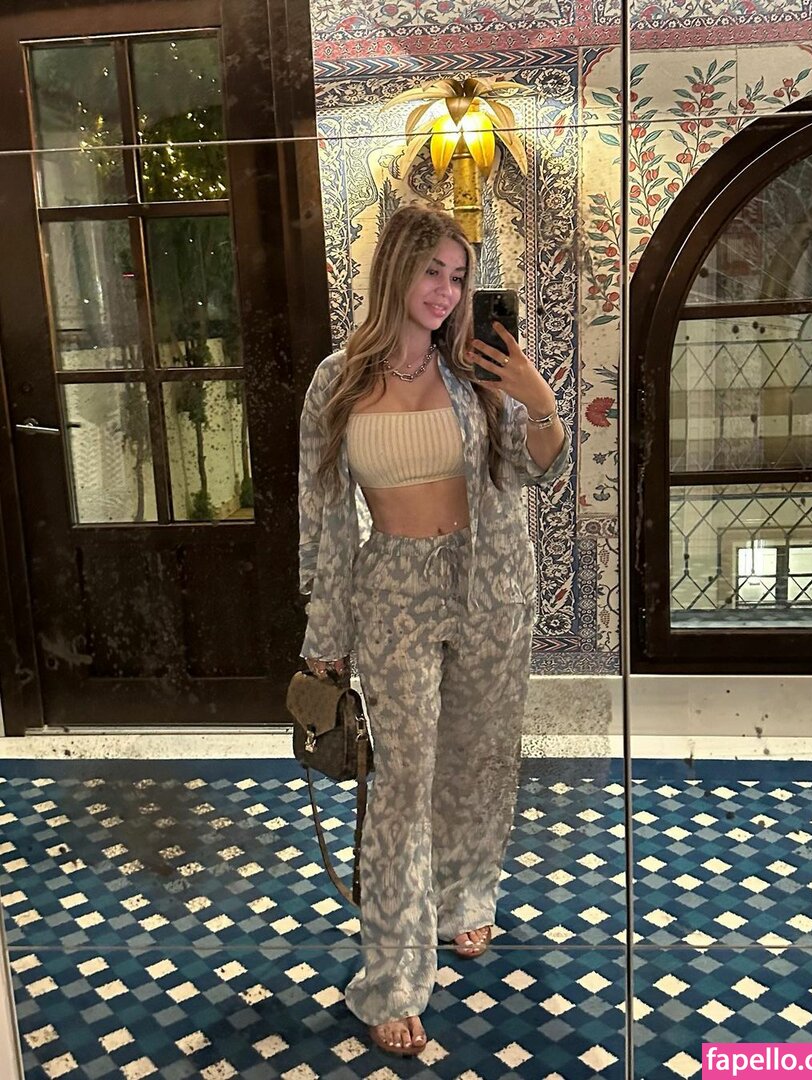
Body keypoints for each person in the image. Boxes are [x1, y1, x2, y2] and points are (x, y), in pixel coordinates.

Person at [297, 204, 568, 1055]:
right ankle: (392, 976)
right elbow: (324, 518)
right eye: (432, 272)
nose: (447, 292)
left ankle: (466, 898)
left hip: (489, 582)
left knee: (479, 760)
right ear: (395, 271)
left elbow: (529, 467)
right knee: (403, 787)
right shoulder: (336, 382)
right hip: (394, 592)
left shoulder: (473, 372)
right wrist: (325, 634)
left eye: (458, 277)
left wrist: (537, 399)